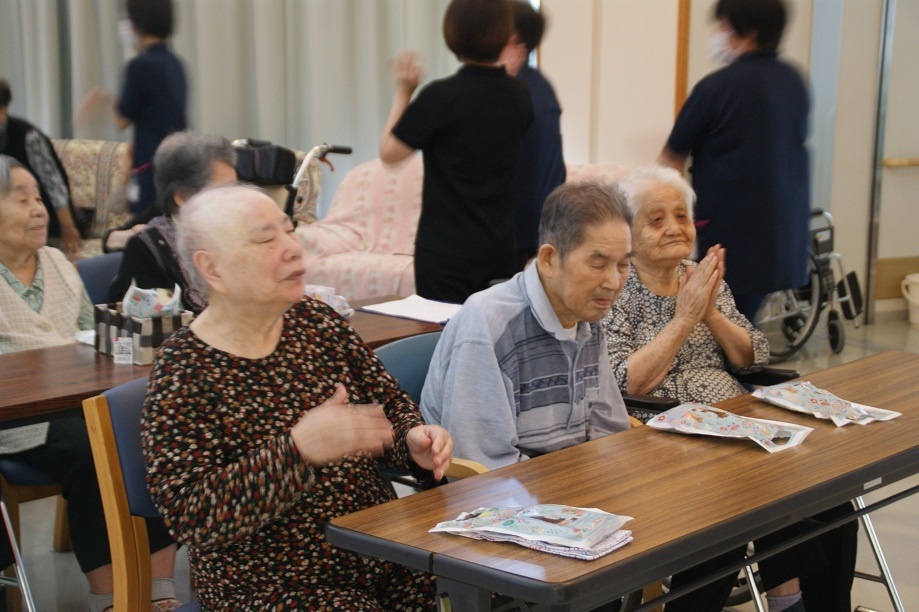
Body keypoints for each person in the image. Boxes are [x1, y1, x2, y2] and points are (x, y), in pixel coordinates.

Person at [142, 184, 453, 609]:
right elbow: (190, 516)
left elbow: (390, 408)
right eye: (267, 239)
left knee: (475, 585)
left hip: (377, 551)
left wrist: (413, 440)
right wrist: (296, 451)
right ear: (212, 269)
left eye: (289, 231)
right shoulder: (183, 369)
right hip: (267, 584)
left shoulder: (317, 323)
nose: (292, 249)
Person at [602, 165, 857, 612]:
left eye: (681, 216)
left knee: (831, 495)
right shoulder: (615, 287)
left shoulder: (699, 276)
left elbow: (752, 356)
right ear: (627, 231)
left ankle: (810, 602)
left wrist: (710, 312)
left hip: (737, 420)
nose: (674, 228)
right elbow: (626, 382)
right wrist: (683, 319)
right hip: (660, 430)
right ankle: (787, 598)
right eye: (656, 219)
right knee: (744, 494)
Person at [0, 155, 180, 612]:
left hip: (77, 398)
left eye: (39, 197)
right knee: (93, 449)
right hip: (19, 417)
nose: (39, 209)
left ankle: (158, 585)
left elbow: (90, 335)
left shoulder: (58, 261)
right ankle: (111, 595)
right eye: (21, 199)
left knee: (145, 429)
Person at [421, 181, 633, 469]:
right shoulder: (489, 324)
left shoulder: (588, 314)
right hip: (506, 503)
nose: (613, 282)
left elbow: (611, 434)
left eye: (623, 265)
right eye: (598, 265)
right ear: (548, 259)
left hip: (577, 493)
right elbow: (484, 468)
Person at [658, 0, 809, 322]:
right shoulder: (793, 82)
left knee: (723, 319)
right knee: (742, 321)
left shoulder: (717, 87)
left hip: (731, 236)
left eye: (724, 26)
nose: (718, 34)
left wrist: (667, 222)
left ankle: (733, 369)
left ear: (749, 31)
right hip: (782, 232)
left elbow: (671, 159)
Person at [379, 0, 533, 304]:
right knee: (493, 340)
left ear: (453, 34)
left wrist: (404, 91)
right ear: (503, 33)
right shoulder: (519, 94)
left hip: (446, 254)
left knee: (442, 342)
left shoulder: (441, 96)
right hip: (500, 248)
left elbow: (389, 154)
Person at [108, 131, 237, 312]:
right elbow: (162, 325)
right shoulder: (149, 249)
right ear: (182, 197)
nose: (235, 200)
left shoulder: (238, 233)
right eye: (221, 192)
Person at [499, 1, 566, 269]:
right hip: (537, 225)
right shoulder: (539, 84)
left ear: (512, 36)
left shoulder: (510, 90)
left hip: (515, 230)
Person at [114, 0, 187, 220]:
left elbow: (121, 121)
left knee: (144, 231)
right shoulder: (175, 63)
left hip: (148, 169)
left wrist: (102, 100)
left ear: (138, 24)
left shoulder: (139, 66)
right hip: (176, 165)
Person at [0, 78, 84, 256]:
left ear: (3, 109)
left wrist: (68, 227)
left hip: (36, 218)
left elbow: (54, 185)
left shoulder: (27, 136)